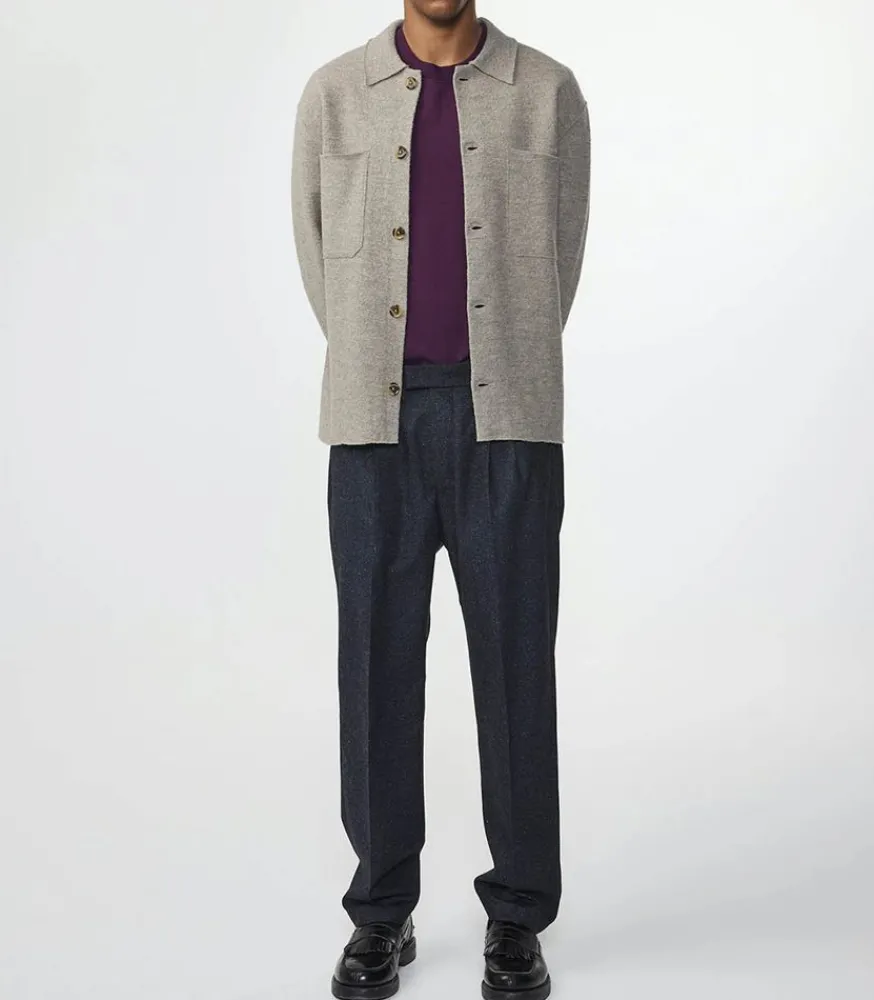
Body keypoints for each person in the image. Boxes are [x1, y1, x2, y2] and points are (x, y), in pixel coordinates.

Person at [291, 2, 590, 997]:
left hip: (506, 421)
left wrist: (501, 358)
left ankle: (519, 912)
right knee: (374, 665)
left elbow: (561, 258)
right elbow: (316, 251)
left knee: (516, 665)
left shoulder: (546, 93)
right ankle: (380, 910)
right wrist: (375, 357)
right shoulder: (335, 95)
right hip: (372, 426)